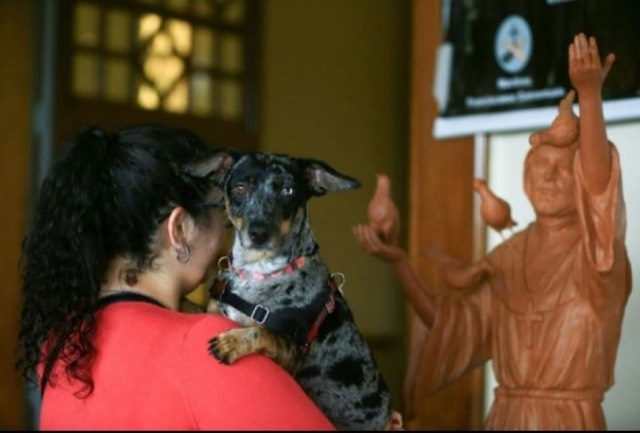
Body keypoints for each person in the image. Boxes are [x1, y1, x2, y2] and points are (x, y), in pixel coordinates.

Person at [352, 33, 631, 430]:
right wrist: (400, 262)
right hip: (505, 418)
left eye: (565, 169)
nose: (549, 178)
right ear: (525, 176)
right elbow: (450, 327)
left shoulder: (597, 254)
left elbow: (603, 193)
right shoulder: (507, 257)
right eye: (539, 167)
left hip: (571, 419)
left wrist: (589, 97)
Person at [17, 123, 335, 430]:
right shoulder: (209, 344)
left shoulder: (64, 344)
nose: (229, 235)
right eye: (222, 214)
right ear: (180, 229)